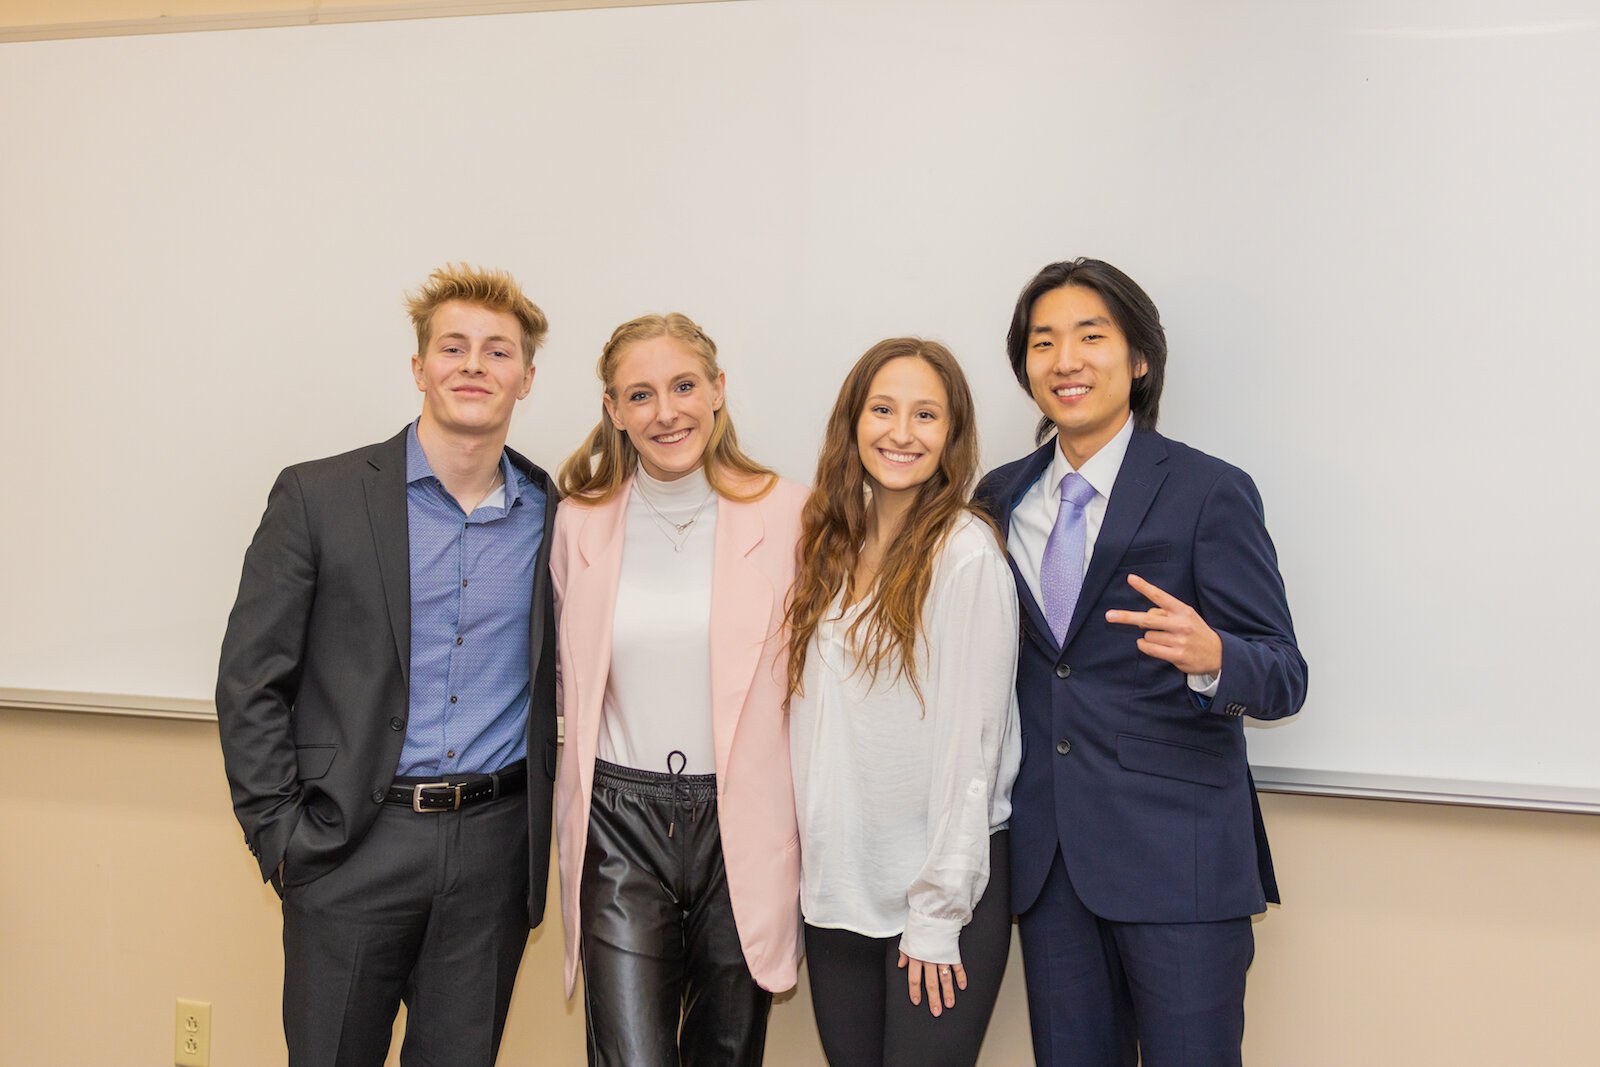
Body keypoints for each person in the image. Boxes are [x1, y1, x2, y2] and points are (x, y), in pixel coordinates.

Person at [215, 264, 558, 1067]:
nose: (475, 365)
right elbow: (251, 680)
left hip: (492, 853)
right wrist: (284, 837)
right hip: (349, 846)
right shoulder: (318, 496)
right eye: (454, 346)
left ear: (527, 378)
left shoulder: (558, 516)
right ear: (419, 367)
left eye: (498, 351)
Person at [973, 259, 1308, 1067]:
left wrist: (1214, 656)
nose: (1066, 359)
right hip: (1049, 865)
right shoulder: (996, 498)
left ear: (1141, 358)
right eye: (1044, 341)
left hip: (1180, 862)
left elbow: (1284, 673)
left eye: (1092, 336)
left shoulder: (1208, 490)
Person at [550, 312, 806, 1066]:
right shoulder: (579, 522)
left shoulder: (791, 512)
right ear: (613, 410)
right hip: (621, 827)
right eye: (640, 394)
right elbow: (567, 681)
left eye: (684, 385)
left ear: (718, 390)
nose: (666, 412)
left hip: (744, 826)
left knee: (727, 1054)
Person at [785, 338, 1021, 1066]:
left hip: (937, 893)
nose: (900, 431)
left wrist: (937, 913)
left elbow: (972, 746)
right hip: (838, 890)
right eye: (883, 409)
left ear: (951, 435)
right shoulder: (829, 544)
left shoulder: (966, 553)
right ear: (853, 420)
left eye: (926, 414)